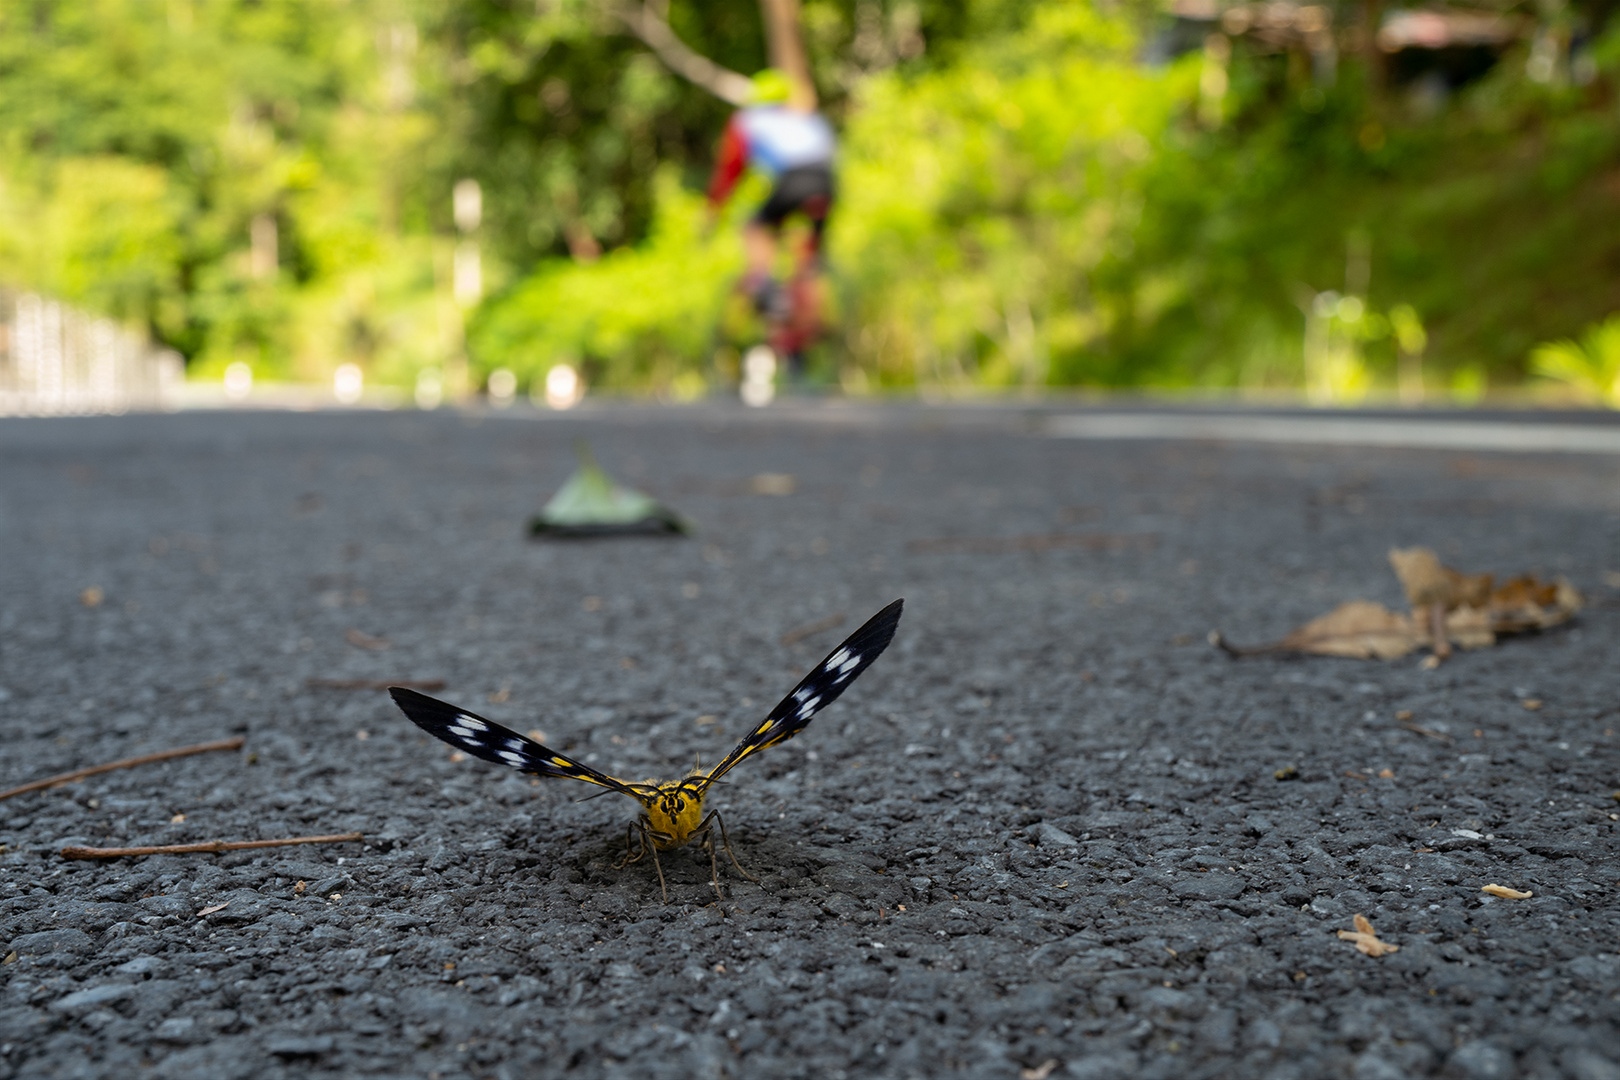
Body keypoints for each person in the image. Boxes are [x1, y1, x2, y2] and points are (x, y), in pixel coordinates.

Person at [706, 69, 835, 371]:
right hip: (827, 183)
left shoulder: (748, 121)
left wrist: (713, 211)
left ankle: (764, 283)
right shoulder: (807, 119)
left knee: (755, 227)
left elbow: (730, 171)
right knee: (808, 258)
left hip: (793, 180)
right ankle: (810, 321)